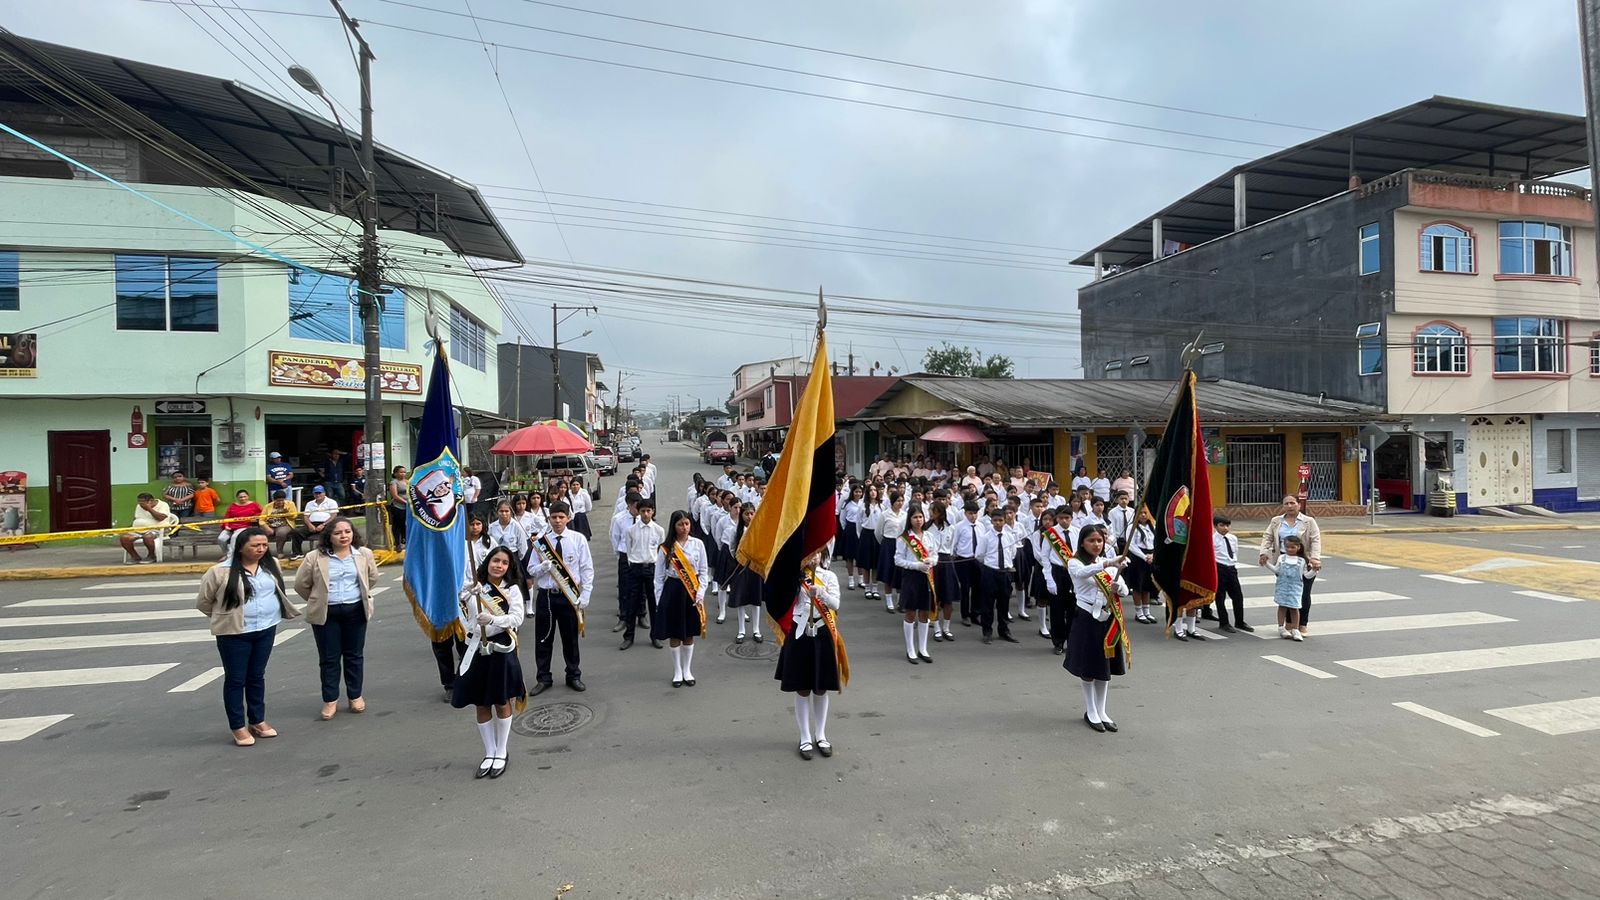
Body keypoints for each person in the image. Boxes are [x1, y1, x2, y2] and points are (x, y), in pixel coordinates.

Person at [195, 526, 301, 747]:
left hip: (266, 628)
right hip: (235, 633)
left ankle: (257, 720)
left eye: (264, 545)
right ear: (240, 548)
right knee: (236, 679)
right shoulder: (219, 572)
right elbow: (204, 602)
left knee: (256, 676)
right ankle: (238, 726)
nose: (261, 549)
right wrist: (226, 618)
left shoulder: (271, 565)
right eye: (255, 545)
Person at [293, 515, 379, 720]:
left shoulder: (363, 554)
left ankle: (355, 696)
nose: (344, 536)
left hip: (355, 610)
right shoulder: (315, 557)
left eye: (347, 532)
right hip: (327, 613)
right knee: (329, 658)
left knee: (354, 656)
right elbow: (301, 584)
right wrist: (318, 599)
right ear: (329, 536)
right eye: (338, 533)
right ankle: (330, 700)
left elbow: (372, 578)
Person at [454, 546, 529, 779]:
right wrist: (467, 592)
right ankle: (489, 752)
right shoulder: (475, 587)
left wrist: (494, 619)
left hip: (500, 649)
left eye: (504, 563)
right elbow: (459, 609)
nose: (499, 566)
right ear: (488, 562)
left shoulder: (512, 590)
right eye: (496, 560)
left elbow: (517, 618)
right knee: (481, 702)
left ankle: (501, 751)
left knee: (501, 700)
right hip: (476, 648)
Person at [776, 550, 843, 760]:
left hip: (822, 632)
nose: (813, 558)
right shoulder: (795, 576)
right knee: (802, 687)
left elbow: (836, 605)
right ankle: (804, 736)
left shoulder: (829, 576)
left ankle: (820, 735)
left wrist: (820, 593)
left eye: (817, 553)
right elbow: (782, 600)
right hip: (799, 632)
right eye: (809, 553)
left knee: (821, 687)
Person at [1066, 526, 1129, 733]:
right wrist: (1108, 563)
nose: (1096, 544)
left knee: (1104, 667)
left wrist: (1118, 587)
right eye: (1091, 540)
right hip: (1086, 618)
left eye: (1100, 541)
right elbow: (1082, 573)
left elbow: (1124, 590)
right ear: (1082, 543)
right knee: (1088, 667)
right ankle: (1090, 710)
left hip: (1108, 619)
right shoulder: (1075, 563)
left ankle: (1102, 711)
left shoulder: (1110, 566)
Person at [527, 502, 594, 694]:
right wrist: (542, 568)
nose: (557, 521)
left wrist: (586, 594)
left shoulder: (578, 539)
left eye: (561, 517)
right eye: (554, 517)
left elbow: (586, 568)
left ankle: (573, 675)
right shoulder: (541, 542)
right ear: (549, 519)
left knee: (570, 638)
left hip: (569, 596)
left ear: (568, 518)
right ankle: (543, 677)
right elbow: (531, 570)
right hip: (547, 596)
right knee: (543, 638)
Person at [653, 510, 709, 687]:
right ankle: (677, 671)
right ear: (674, 526)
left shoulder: (698, 544)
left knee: (689, 633)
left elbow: (704, 572)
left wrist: (700, 593)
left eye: (686, 523)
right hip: (673, 591)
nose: (684, 527)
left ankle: (687, 670)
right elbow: (658, 577)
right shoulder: (666, 548)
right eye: (680, 524)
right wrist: (659, 601)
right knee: (675, 633)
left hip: (692, 592)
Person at [1258, 495, 1322, 639]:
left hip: (1303, 560)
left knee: (1303, 593)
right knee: (1286, 592)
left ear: (1299, 505)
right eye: (1286, 503)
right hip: (1283, 560)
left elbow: (1315, 540)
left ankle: (1302, 624)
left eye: (1292, 503)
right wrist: (1264, 553)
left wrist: (1315, 558)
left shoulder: (1308, 521)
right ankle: (1288, 623)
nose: (1289, 506)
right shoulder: (1276, 521)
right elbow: (1267, 537)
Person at [895, 507, 938, 664]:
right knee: (911, 613)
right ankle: (910, 649)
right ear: (909, 519)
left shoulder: (929, 536)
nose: (918, 520)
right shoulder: (904, 538)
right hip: (911, 577)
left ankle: (923, 648)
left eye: (920, 517)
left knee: (924, 613)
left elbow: (935, 554)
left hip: (927, 577)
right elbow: (898, 560)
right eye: (915, 517)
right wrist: (916, 565)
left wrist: (931, 561)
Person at [621, 499, 665, 650]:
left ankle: (656, 635)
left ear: (653, 511)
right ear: (638, 512)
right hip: (635, 568)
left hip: (652, 569)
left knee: (654, 603)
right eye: (643, 511)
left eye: (648, 511)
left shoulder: (659, 530)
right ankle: (629, 636)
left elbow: (661, 552)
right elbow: (629, 551)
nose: (646, 514)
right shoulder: (631, 530)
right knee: (632, 603)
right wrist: (633, 565)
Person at [975, 509, 1020, 644]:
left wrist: (1006, 565)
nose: (998, 523)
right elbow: (979, 555)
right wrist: (990, 565)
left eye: (1000, 520)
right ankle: (987, 631)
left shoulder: (1009, 536)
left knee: (1004, 603)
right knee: (988, 604)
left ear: (1005, 521)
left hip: (1005, 572)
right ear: (991, 521)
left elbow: (1012, 553)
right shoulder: (986, 537)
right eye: (995, 520)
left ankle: (1004, 630)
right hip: (990, 572)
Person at [728, 503, 764, 644]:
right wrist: (740, 560)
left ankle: (756, 629)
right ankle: (741, 630)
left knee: (756, 599)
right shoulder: (736, 531)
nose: (749, 516)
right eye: (746, 514)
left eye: (751, 513)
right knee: (741, 598)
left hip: (755, 568)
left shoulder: (759, 529)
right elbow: (732, 548)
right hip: (741, 568)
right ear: (741, 515)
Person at [1211, 514, 1251, 633]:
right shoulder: (1212, 539)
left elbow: (1234, 552)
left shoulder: (1232, 538)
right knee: (1220, 597)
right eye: (1222, 525)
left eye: (1227, 525)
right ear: (1215, 526)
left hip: (1231, 568)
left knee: (1238, 596)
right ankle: (1224, 622)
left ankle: (1240, 621)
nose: (1225, 528)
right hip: (1219, 567)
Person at [1267, 535, 1311, 641]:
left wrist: (1315, 570)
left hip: (1295, 588)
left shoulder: (1302, 561)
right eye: (1287, 547)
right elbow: (1277, 570)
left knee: (1294, 607)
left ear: (1298, 547)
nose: (1289, 549)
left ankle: (1295, 629)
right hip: (1282, 586)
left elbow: (1306, 575)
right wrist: (1266, 564)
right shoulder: (1281, 558)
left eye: (1292, 547)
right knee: (1282, 606)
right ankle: (1281, 627)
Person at [118, 493, 178, 563]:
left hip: (158, 529)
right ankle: (135, 556)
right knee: (124, 538)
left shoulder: (163, 505)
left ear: (151, 501)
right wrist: (130, 527)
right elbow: (136, 518)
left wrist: (149, 508)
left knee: (148, 537)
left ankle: (151, 556)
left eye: (142, 502)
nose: (140, 504)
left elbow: (160, 518)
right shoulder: (139, 506)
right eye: (139, 502)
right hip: (139, 530)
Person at [874, 491, 907, 613]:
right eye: (898, 501)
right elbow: (878, 532)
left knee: (900, 573)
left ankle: (900, 601)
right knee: (888, 573)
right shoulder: (884, 514)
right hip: (888, 544)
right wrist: (885, 544)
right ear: (892, 502)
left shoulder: (905, 514)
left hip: (901, 544)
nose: (900, 503)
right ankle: (889, 602)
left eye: (902, 501)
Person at [1126, 509, 1157, 624]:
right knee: (1138, 585)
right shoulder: (1132, 527)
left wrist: (1153, 555)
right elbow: (1131, 545)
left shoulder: (1152, 527)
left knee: (1147, 585)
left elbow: (1156, 542)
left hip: (1151, 556)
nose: (1143, 515)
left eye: (1145, 513)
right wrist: (1144, 557)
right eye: (1141, 513)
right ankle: (1139, 612)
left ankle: (1147, 611)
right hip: (1138, 558)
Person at [294, 485, 340, 558]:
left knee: (330, 532)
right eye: (316, 493)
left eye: (319, 493)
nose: (318, 495)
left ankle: (329, 551)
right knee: (296, 532)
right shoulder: (309, 503)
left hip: (327, 524)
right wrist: (309, 525)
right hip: (312, 523)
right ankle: (297, 553)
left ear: (324, 493)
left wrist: (323, 524)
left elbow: (334, 515)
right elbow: (306, 516)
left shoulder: (331, 502)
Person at [836, 484, 864, 590]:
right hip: (850, 529)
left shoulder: (863, 503)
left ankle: (861, 579)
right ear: (852, 492)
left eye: (860, 492)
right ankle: (851, 580)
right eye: (856, 491)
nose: (858, 494)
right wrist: (846, 529)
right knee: (849, 556)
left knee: (860, 556)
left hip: (860, 529)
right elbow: (842, 519)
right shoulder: (847, 504)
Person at [218, 489, 262, 555]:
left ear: (248, 496)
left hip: (245, 526)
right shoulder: (233, 505)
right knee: (221, 539)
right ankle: (226, 554)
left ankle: (231, 556)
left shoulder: (254, 505)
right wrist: (226, 525)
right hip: (231, 527)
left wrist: (255, 518)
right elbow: (227, 517)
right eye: (241, 497)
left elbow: (261, 514)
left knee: (234, 537)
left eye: (244, 496)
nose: (243, 498)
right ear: (237, 498)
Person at [258, 490, 299, 559]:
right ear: (274, 500)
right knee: (260, 534)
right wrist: (266, 528)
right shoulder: (268, 506)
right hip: (270, 525)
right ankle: (264, 552)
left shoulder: (290, 504)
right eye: (278, 501)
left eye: (282, 500)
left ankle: (279, 552)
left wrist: (287, 513)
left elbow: (294, 516)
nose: (280, 502)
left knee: (281, 533)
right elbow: (261, 520)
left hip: (284, 524)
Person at [386, 466, 409, 551]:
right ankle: (397, 543)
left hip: (408, 507)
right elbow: (395, 496)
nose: (403, 474)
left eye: (404, 472)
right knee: (397, 525)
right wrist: (405, 502)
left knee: (405, 524)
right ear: (395, 474)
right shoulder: (394, 482)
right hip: (398, 506)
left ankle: (405, 540)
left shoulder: (407, 482)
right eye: (401, 472)